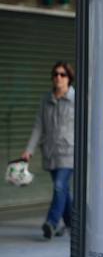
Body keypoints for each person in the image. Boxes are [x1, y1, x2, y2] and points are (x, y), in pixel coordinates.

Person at [22, 62, 75, 239]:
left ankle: (51, 223)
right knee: (64, 190)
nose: (58, 78)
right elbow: (39, 127)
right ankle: (73, 224)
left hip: (69, 152)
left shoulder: (77, 99)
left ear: (69, 78)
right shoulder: (46, 99)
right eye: (55, 74)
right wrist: (29, 150)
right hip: (51, 152)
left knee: (60, 186)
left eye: (62, 74)